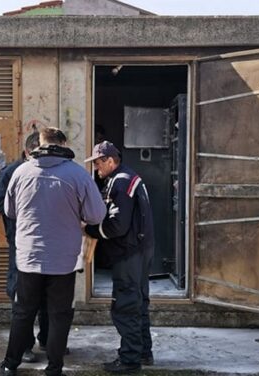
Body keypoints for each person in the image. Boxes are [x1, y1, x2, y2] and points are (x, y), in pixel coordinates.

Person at [0, 127, 106, 376]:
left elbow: (9, 210)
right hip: (63, 259)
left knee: (23, 312)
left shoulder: (20, 172)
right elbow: (96, 215)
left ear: (39, 144)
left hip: (28, 257)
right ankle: (54, 368)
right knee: (59, 314)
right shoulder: (78, 175)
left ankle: (9, 365)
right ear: (64, 143)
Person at [83, 141, 155, 374]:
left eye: (98, 163)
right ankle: (143, 352)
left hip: (128, 252)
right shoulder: (128, 177)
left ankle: (129, 359)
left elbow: (117, 225)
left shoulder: (120, 182)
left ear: (110, 161)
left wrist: (91, 230)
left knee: (125, 305)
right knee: (139, 301)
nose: (96, 169)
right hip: (141, 250)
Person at [0, 131, 46, 363]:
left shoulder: (55, 170)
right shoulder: (13, 171)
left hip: (48, 243)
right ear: (28, 151)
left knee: (49, 295)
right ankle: (24, 345)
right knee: (20, 294)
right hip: (21, 243)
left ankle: (49, 339)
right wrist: (20, 210)